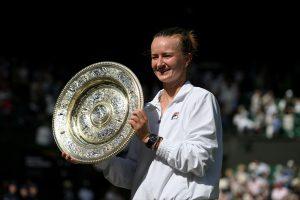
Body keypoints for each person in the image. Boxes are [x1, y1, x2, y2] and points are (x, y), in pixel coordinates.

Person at [63, 27, 223, 199]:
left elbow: (198, 161)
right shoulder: (147, 110)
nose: (159, 63)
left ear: (187, 59)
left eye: (167, 55)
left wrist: (149, 138)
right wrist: (95, 157)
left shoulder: (200, 99)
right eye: (155, 57)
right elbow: (131, 175)